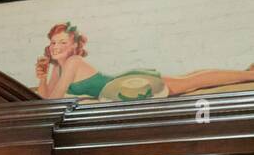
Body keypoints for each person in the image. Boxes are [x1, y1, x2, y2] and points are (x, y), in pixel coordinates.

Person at [35, 22, 254, 100]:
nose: (56, 47)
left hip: (123, 87)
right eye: (53, 43)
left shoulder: (72, 62)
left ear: (74, 46)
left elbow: (53, 101)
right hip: (117, 92)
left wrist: (47, 81)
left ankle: (249, 75)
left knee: (190, 82)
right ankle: (247, 73)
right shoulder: (59, 68)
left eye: (62, 42)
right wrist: (42, 77)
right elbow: (44, 102)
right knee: (189, 79)